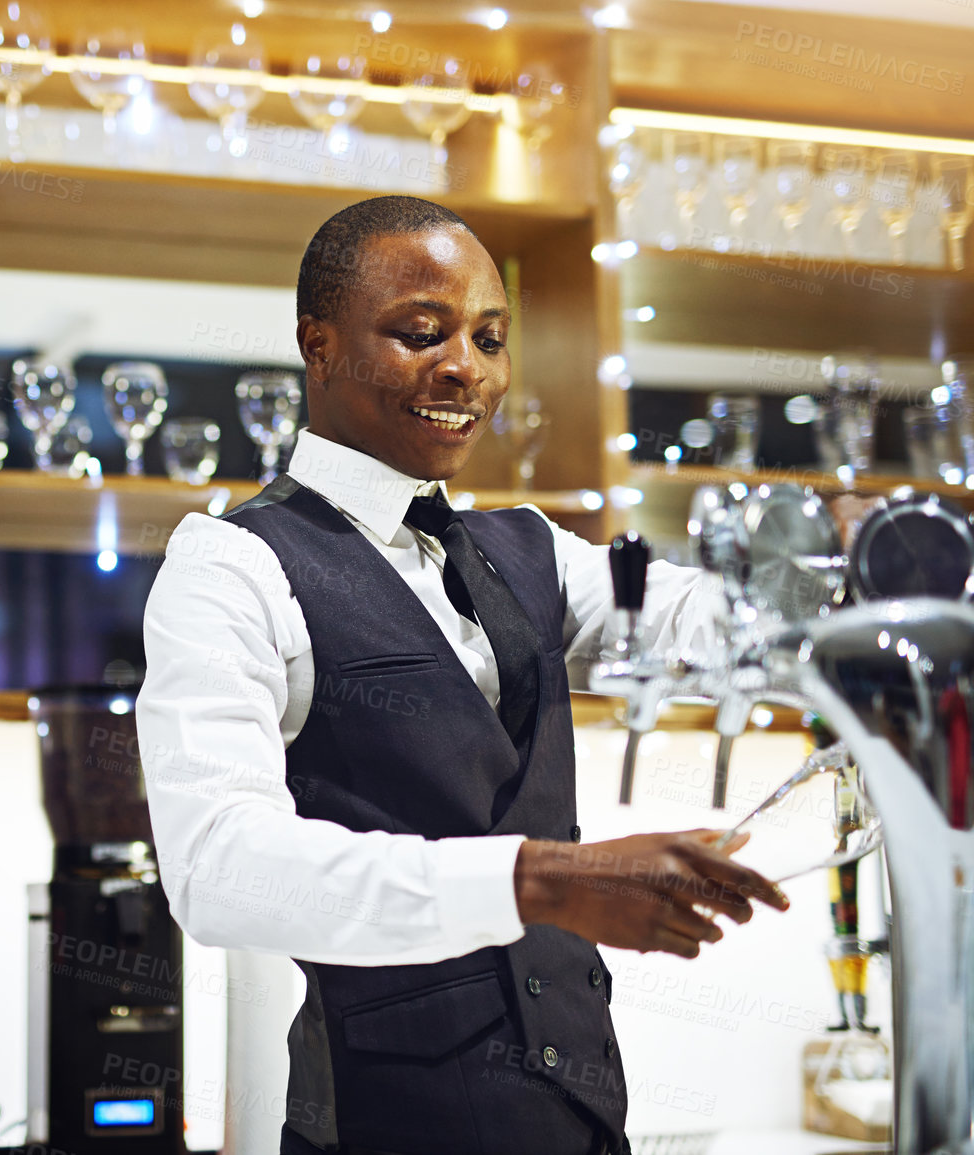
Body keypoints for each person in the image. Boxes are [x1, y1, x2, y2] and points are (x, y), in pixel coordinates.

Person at [136, 196, 788, 1155]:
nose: (465, 370)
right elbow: (218, 869)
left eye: (489, 338)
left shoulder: (529, 551)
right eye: (420, 332)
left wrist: (822, 585)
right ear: (318, 346)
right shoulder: (232, 564)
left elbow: (697, 617)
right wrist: (539, 878)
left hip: (580, 1119)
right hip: (376, 1124)